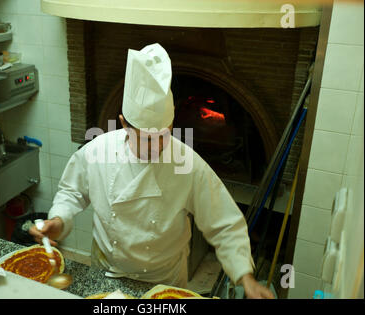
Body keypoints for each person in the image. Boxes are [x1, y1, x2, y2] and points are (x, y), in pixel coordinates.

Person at [30, 43, 274, 299]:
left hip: (164, 282)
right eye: (146, 139)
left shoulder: (187, 164)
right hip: (106, 274)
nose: (157, 146)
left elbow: (223, 223)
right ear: (124, 124)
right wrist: (58, 220)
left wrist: (245, 277)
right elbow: (72, 192)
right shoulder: (97, 151)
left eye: (164, 135)